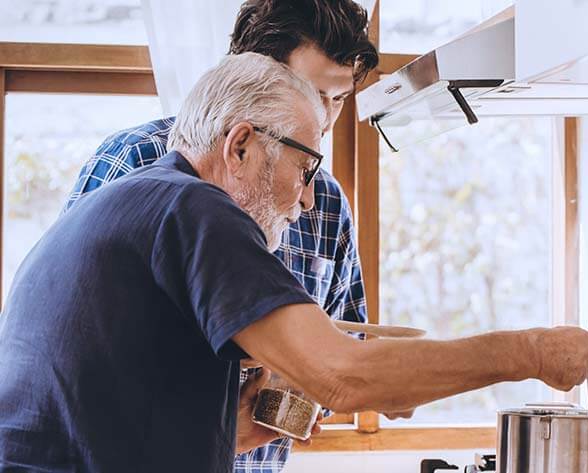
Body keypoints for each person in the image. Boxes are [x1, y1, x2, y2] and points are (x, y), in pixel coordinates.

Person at [0, 53, 588, 472]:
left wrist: (239, 428)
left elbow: (115, 412)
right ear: (239, 146)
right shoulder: (196, 209)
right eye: (305, 165)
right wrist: (529, 352)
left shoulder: (142, 201)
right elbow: (345, 376)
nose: (311, 196)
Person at [62, 0, 377, 469]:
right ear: (250, 73)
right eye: (313, 93)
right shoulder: (135, 165)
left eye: (339, 99)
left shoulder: (324, 201)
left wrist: (297, 382)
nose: (326, 118)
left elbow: (347, 355)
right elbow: (78, 360)